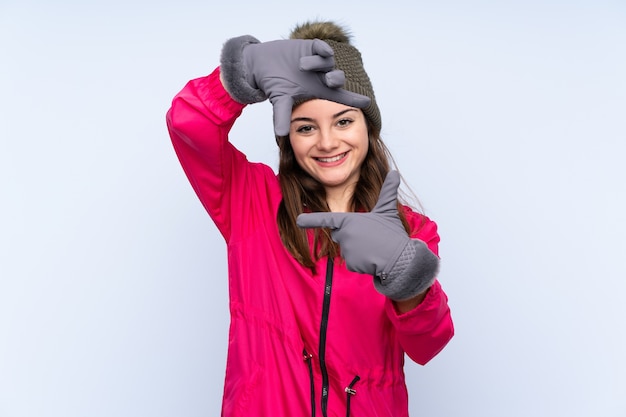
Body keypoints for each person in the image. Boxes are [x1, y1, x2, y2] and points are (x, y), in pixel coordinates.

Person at [166, 20, 454, 417]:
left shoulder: (412, 229)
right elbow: (189, 124)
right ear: (288, 135)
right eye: (306, 127)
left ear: (368, 126)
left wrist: (404, 274)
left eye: (343, 121)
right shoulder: (250, 200)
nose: (327, 142)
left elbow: (429, 345)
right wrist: (243, 70)